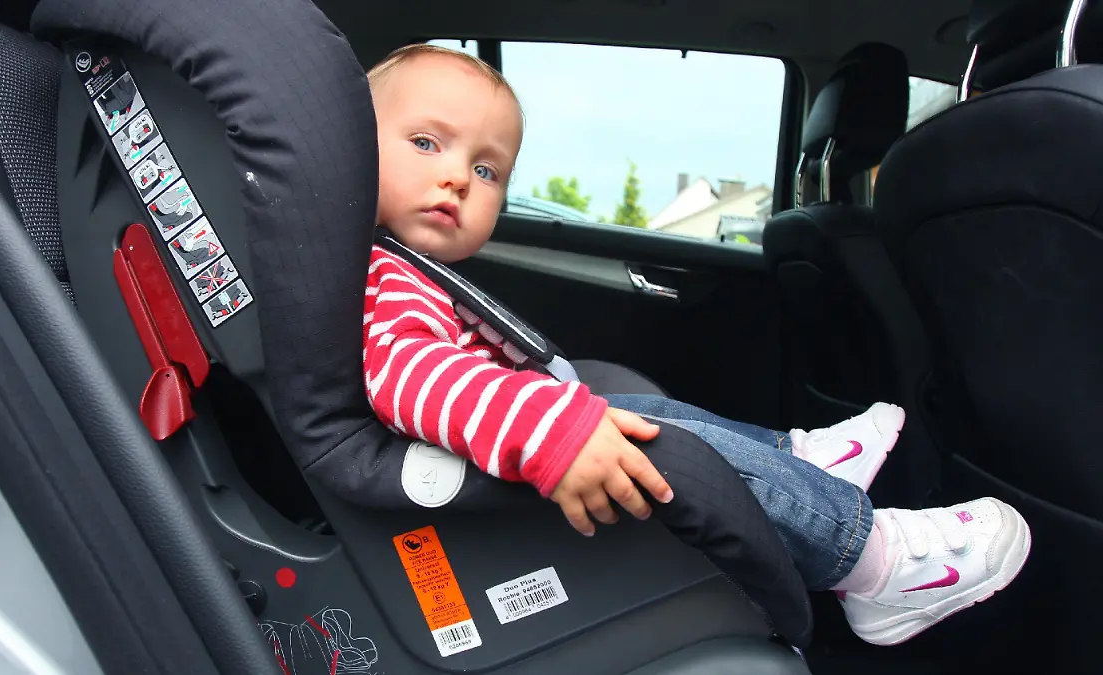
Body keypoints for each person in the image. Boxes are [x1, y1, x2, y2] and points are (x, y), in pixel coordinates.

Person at [362, 43, 1031, 646]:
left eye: (486, 169)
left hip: (495, 434)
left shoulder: (399, 264)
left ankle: (799, 464)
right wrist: (549, 432)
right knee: (654, 438)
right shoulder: (382, 276)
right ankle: (872, 562)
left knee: (641, 414)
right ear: (351, 147)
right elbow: (410, 373)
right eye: (426, 143)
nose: (456, 178)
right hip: (471, 483)